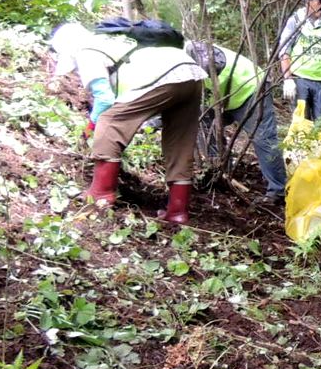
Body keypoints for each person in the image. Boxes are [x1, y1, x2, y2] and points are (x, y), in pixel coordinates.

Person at [49, 21, 207, 225]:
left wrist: (90, 127)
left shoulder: (86, 50)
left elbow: (104, 99)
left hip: (165, 76)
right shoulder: (111, 40)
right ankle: (177, 212)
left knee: (110, 121)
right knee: (180, 143)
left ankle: (101, 195)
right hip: (191, 73)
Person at [186, 40, 286, 204]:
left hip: (250, 88)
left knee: (263, 139)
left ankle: (278, 191)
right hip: (218, 99)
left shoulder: (203, 57)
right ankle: (218, 171)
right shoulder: (177, 64)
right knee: (201, 125)